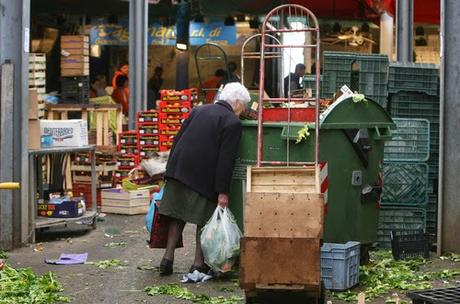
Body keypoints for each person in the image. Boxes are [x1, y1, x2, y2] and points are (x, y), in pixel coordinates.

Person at [157, 82, 251, 276]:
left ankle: (167, 259)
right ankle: (198, 264)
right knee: (205, 219)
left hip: (179, 168)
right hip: (202, 175)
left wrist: (169, 170)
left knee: (177, 215)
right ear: (236, 102)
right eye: (243, 106)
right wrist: (223, 192)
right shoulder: (232, 123)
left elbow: (177, 139)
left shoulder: (198, 110)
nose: (243, 111)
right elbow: (226, 160)